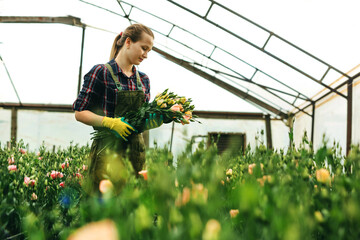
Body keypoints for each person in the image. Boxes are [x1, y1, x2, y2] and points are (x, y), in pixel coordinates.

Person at [73, 23, 162, 194]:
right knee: (103, 208)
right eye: (144, 48)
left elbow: (139, 122)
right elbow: (80, 112)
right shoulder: (101, 72)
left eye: (149, 51)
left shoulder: (143, 80)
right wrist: (109, 122)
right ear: (128, 42)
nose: (146, 55)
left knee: (131, 212)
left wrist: (154, 120)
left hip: (135, 154)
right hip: (107, 152)